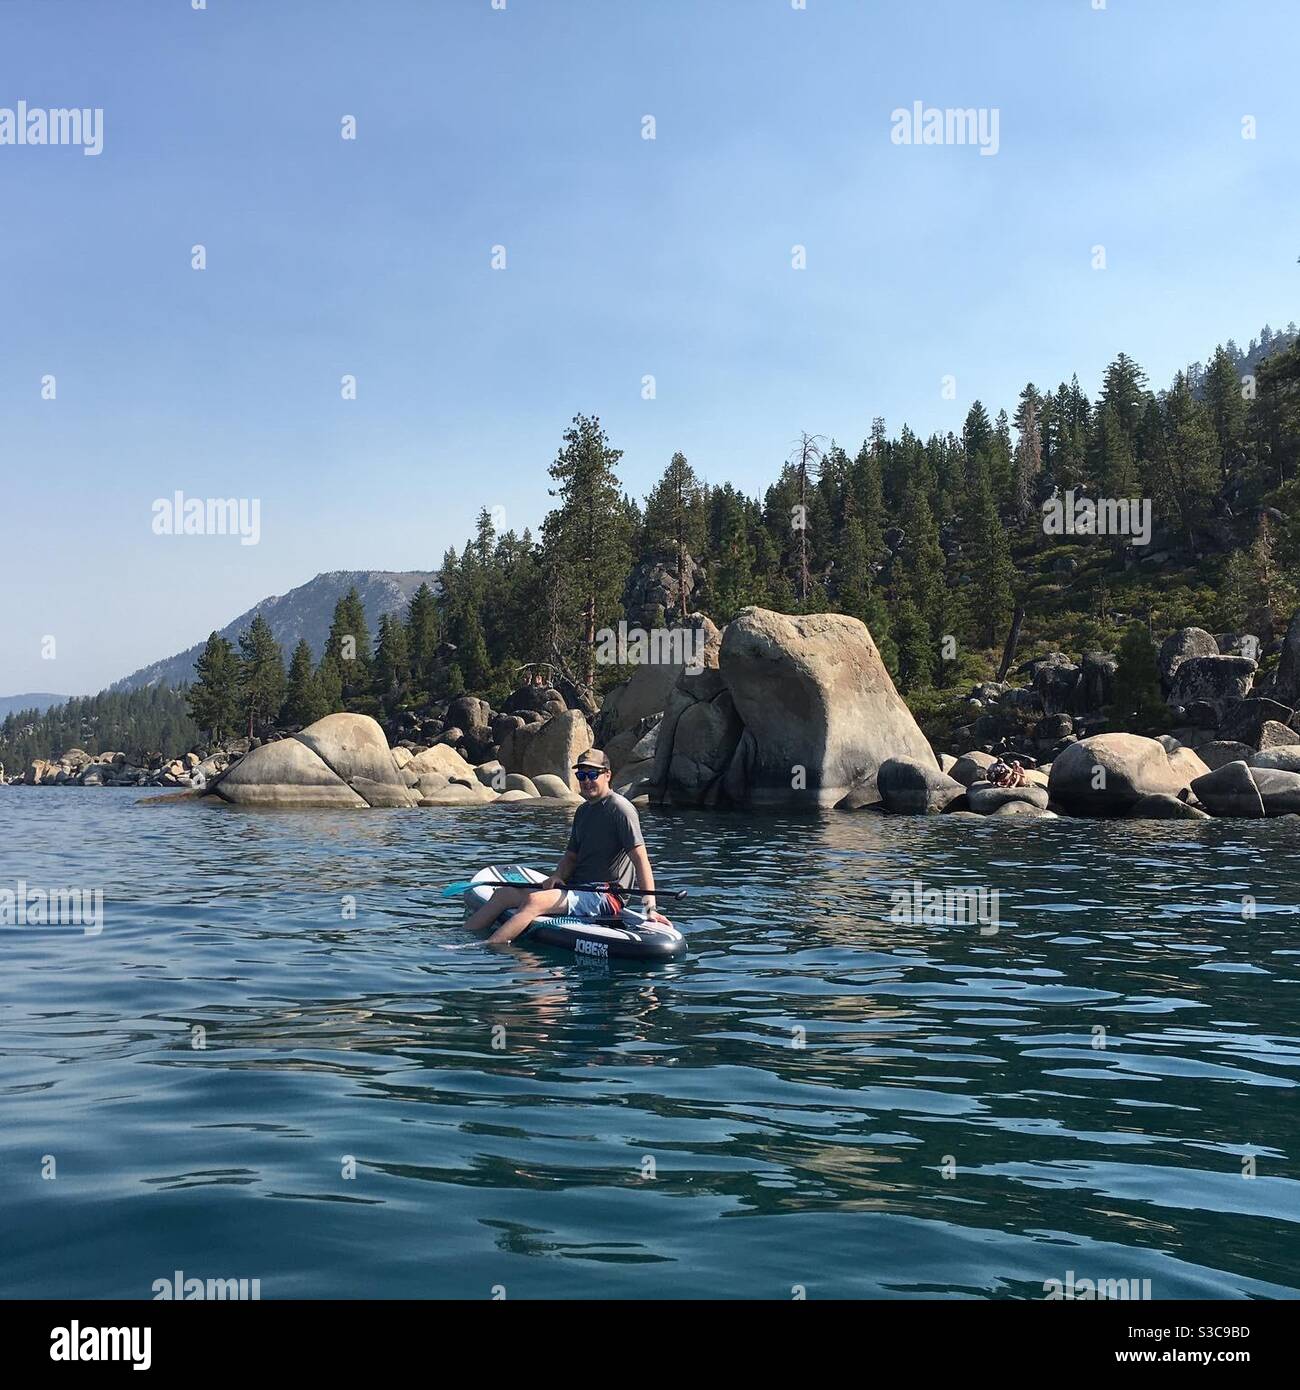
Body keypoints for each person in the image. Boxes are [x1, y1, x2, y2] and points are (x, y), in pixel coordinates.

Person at [463, 749, 667, 945]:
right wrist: (557, 876)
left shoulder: (620, 809)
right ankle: (460, 939)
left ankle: (488, 946)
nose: (586, 781)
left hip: (606, 896)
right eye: (582, 775)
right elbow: (571, 857)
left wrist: (650, 909)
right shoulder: (583, 811)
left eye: (592, 774)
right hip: (576, 887)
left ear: (607, 775)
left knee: (535, 901)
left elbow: (641, 860)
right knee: (503, 894)